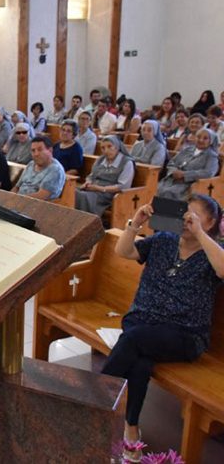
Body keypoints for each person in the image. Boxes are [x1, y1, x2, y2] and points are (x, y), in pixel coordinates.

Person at [104, 197, 224, 462]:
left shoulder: (213, 251)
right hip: (143, 323)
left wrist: (201, 234)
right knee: (141, 362)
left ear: (212, 222)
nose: (187, 220)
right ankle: (131, 428)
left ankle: (94, 402)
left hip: (184, 335)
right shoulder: (163, 240)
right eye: (184, 213)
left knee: (134, 340)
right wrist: (135, 224)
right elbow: (123, 252)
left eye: (194, 215)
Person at [75, 135, 134, 216]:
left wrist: (100, 188)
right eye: (103, 148)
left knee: (81, 196)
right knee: (71, 191)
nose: (106, 151)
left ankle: (85, 220)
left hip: (108, 195)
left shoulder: (126, 163)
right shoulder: (100, 160)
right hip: (93, 189)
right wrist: (87, 183)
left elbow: (122, 186)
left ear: (117, 147)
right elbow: (91, 176)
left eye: (109, 146)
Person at [157, 128, 220, 200]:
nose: (201, 140)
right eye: (198, 137)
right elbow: (172, 163)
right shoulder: (187, 149)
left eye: (205, 138)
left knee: (169, 192)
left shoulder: (212, 156)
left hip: (190, 184)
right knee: (156, 189)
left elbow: (208, 173)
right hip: (172, 179)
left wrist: (184, 175)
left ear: (210, 141)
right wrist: (173, 172)